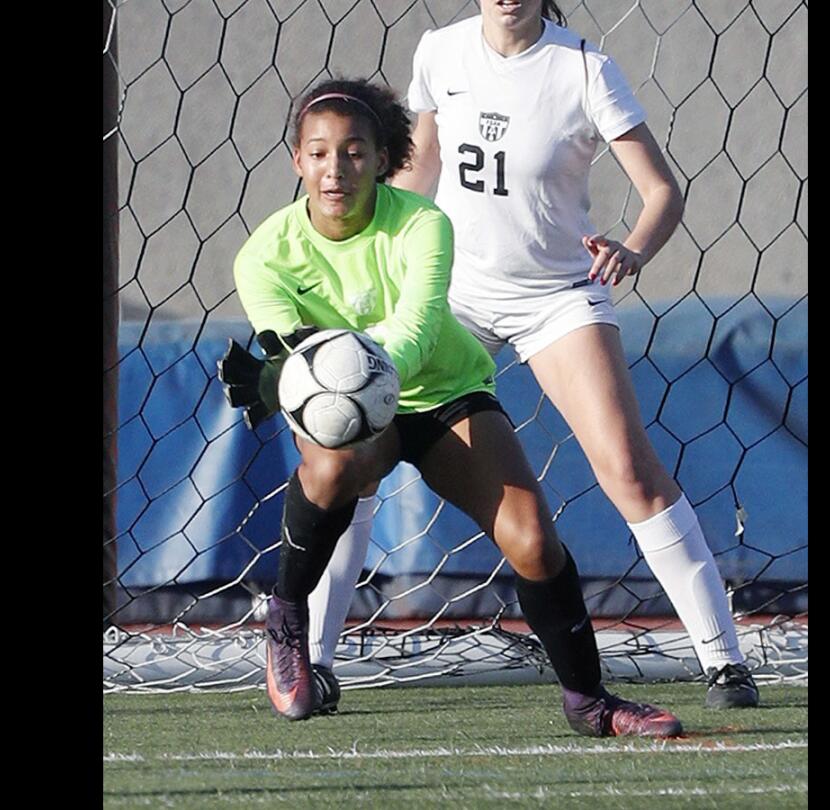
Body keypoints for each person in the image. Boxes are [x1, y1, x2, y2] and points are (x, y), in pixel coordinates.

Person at [308, 0, 760, 710]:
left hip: (556, 297)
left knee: (627, 470)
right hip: (449, 294)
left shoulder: (584, 69)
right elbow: (418, 172)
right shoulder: (440, 52)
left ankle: (724, 662)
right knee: (357, 442)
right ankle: (312, 659)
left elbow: (661, 191)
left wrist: (632, 247)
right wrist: (370, 266)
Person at [218, 77, 683, 737]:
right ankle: (288, 614)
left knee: (532, 540)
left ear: (383, 161)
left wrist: (363, 369)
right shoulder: (265, 255)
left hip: (442, 392)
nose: (335, 169)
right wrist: (308, 381)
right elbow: (284, 349)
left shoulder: (422, 222)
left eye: (354, 153)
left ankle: (589, 702)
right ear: (298, 162)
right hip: (348, 412)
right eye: (319, 154)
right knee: (328, 468)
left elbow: (419, 327)